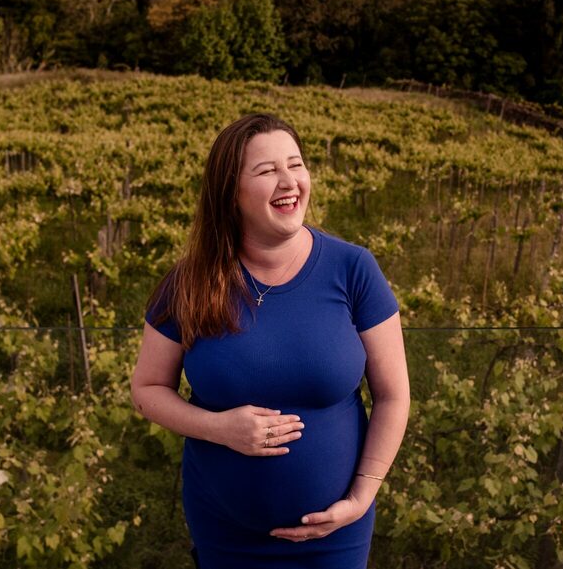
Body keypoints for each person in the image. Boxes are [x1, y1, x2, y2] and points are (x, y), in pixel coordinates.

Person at [130, 113, 409, 569]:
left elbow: (394, 395)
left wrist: (362, 496)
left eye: (295, 164)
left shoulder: (353, 269)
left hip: (335, 533)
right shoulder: (190, 283)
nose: (289, 181)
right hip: (225, 533)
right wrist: (217, 428)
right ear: (230, 194)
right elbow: (146, 390)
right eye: (266, 171)